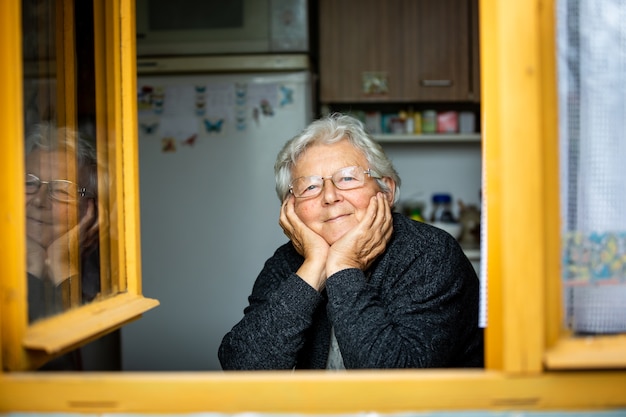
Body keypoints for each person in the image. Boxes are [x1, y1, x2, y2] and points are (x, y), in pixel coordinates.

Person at [218, 113, 484, 370]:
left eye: (347, 178)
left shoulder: (430, 254)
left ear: (386, 190)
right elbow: (243, 367)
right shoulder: (289, 262)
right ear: (291, 207)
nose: (330, 196)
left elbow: (395, 385)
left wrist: (344, 267)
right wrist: (314, 268)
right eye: (310, 186)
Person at [25, 122, 101, 324]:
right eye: (29, 183)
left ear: (89, 210)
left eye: (61, 190)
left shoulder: (104, 269)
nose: (39, 201)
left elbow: (73, 349)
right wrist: (32, 264)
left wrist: (61, 264)